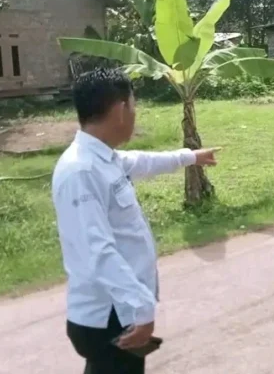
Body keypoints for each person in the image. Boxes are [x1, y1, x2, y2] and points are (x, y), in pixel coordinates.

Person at [54, 68, 217, 374]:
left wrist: (191, 157)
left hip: (118, 310)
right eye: (134, 105)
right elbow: (97, 252)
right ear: (120, 110)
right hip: (108, 315)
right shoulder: (81, 171)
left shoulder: (104, 158)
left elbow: (142, 161)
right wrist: (142, 308)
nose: (135, 115)